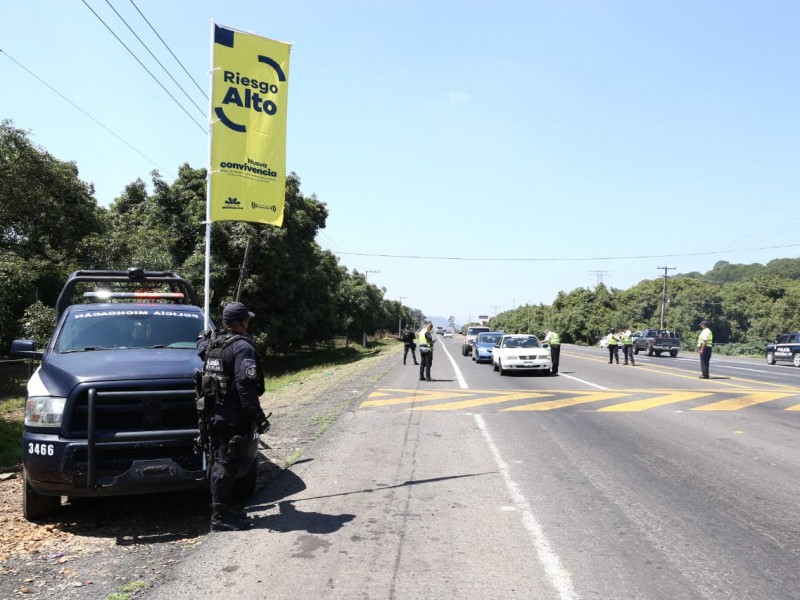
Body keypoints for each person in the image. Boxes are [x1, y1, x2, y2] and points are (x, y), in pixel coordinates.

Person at [197, 301, 270, 532]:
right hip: (231, 415)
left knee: (221, 460)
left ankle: (223, 509)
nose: (248, 324)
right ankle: (220, 517)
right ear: (240, 323)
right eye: (246, 320)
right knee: (225, 464)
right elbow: (245, 386)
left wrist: (203, 336)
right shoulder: (242, 348)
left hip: (212, 413)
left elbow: (200, 348)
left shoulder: (213, 344)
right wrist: (258, 416)